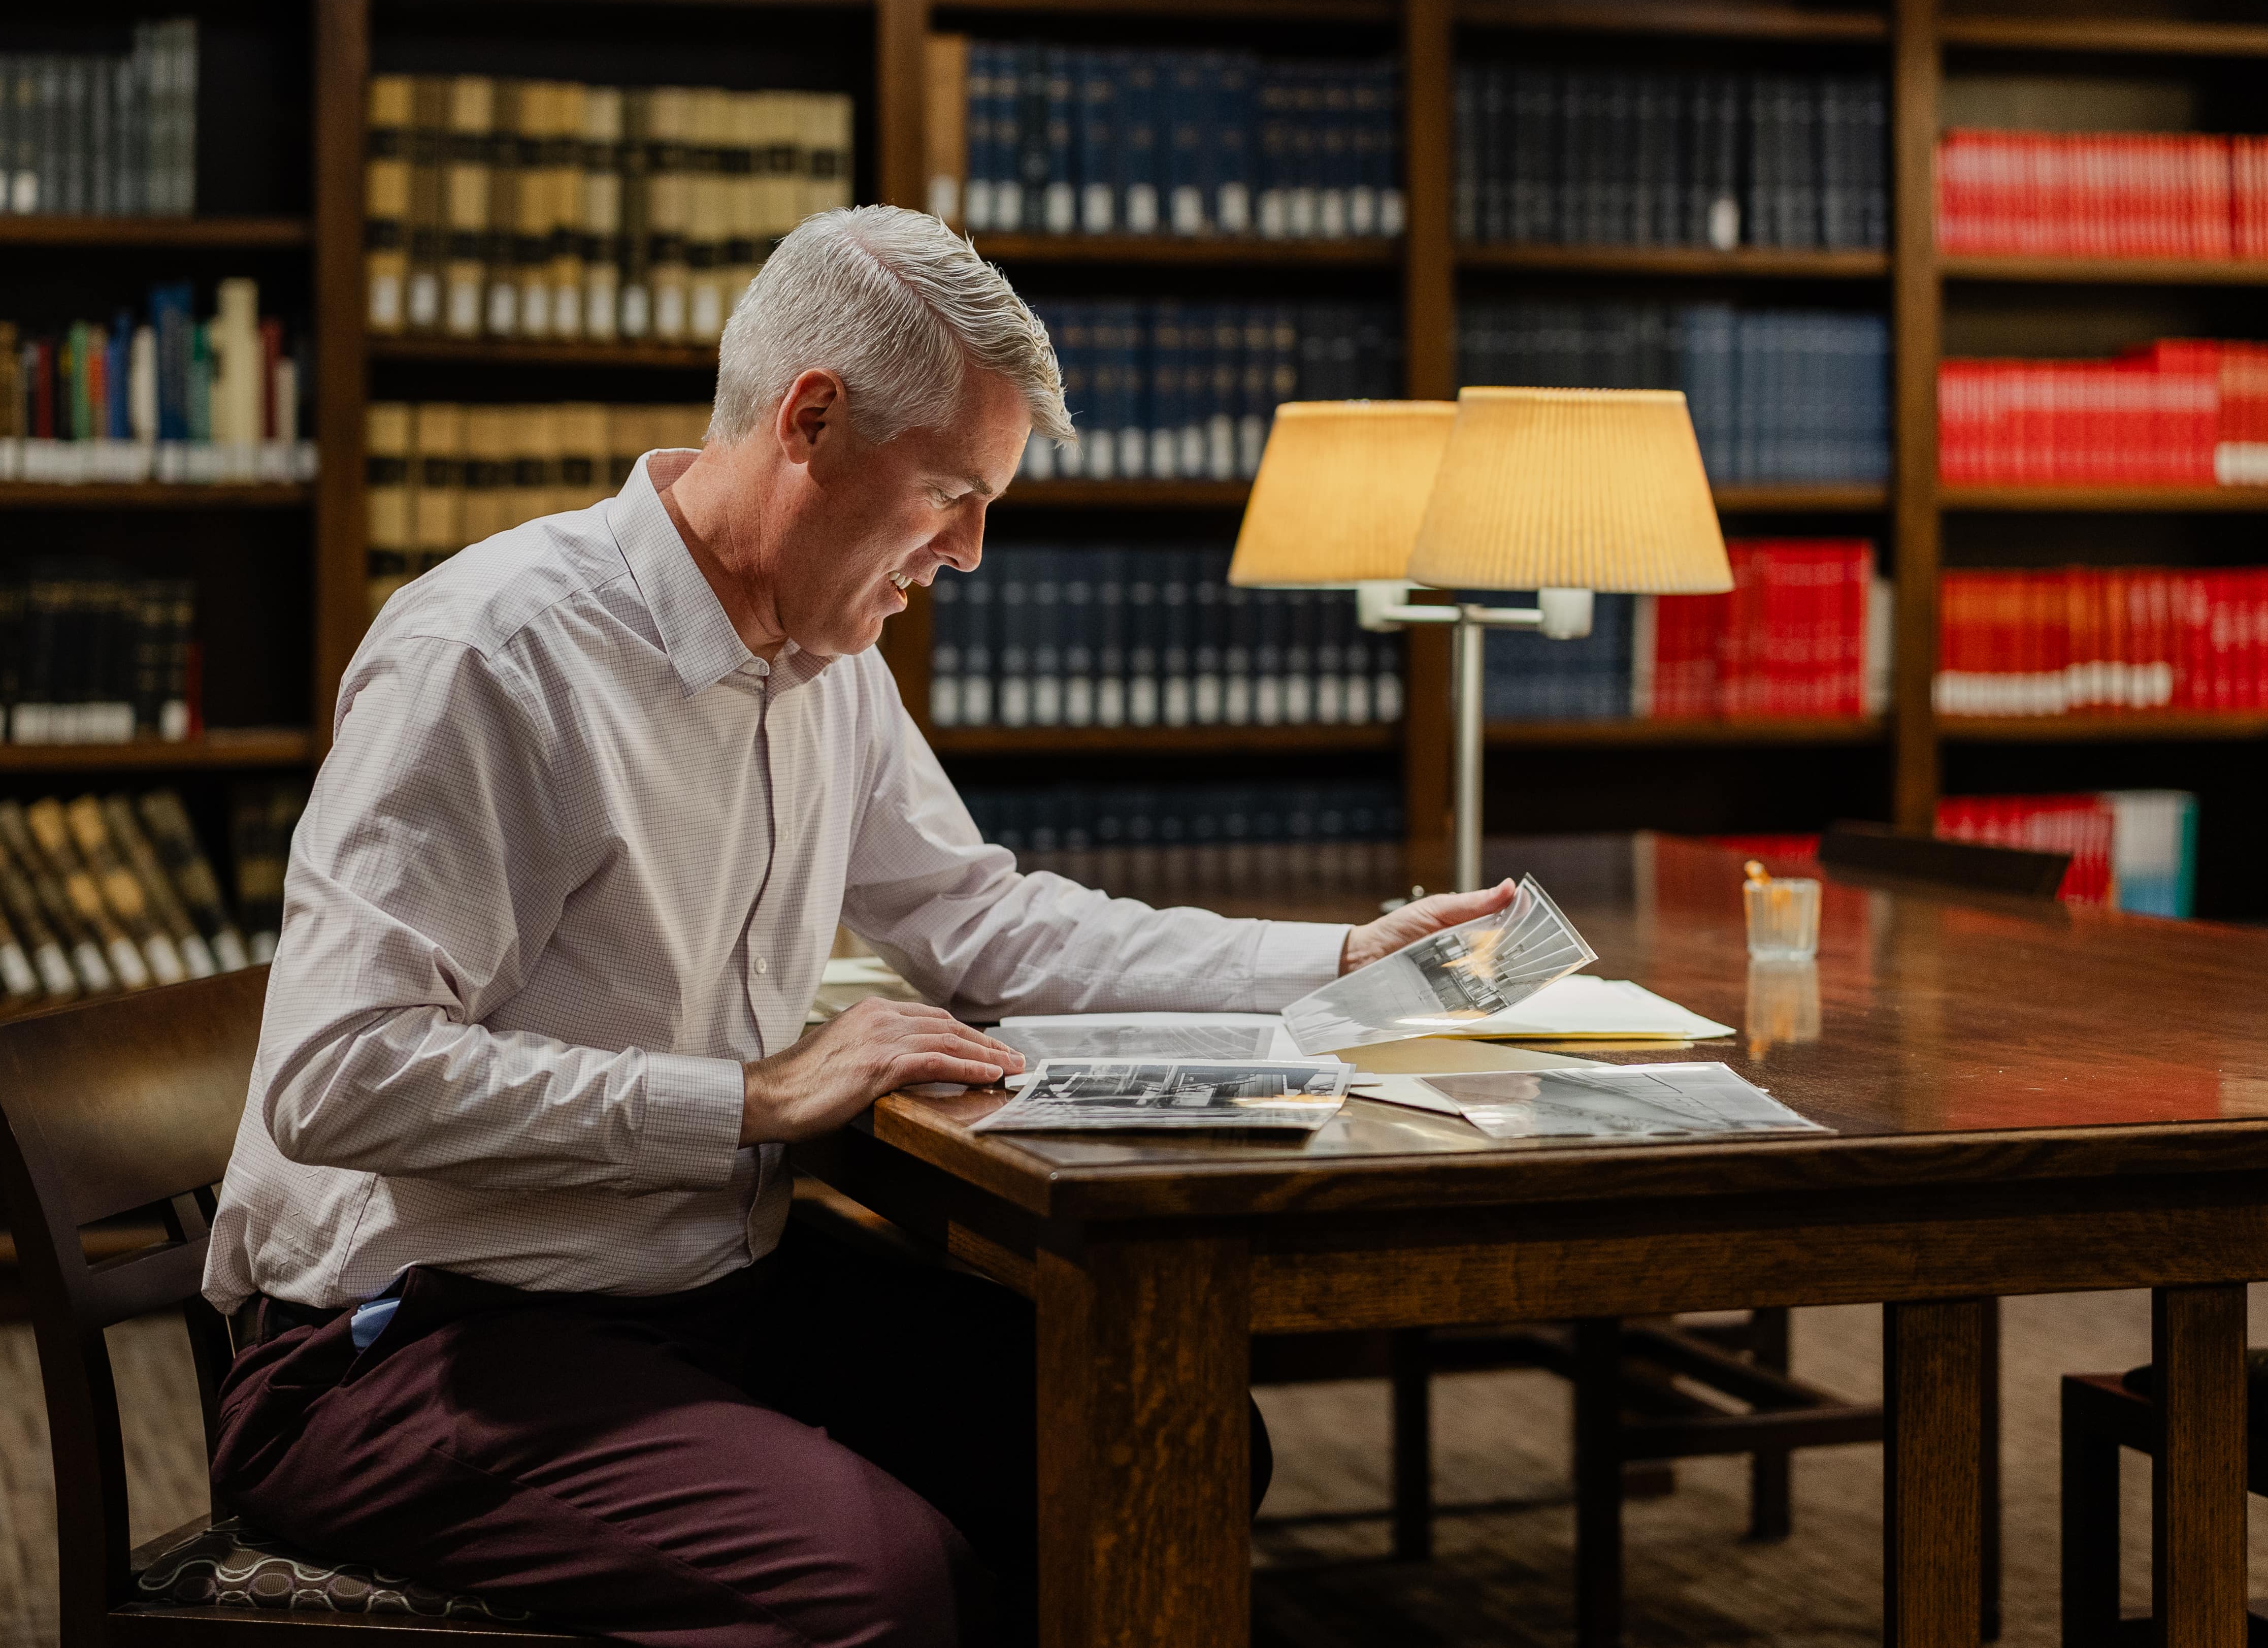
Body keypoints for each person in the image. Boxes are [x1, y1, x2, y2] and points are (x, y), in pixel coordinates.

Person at [202, 205, 1521, 1646]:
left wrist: (1332, 960)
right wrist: (757, 1097)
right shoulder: (493, 654)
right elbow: (338, 1076)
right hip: (409, 1340)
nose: (967, 553)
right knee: (881, 1587)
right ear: (811, 422)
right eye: (952, 492)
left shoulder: (825, 663)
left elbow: (985, 920)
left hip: (700, 1286)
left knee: (1165, 1443)